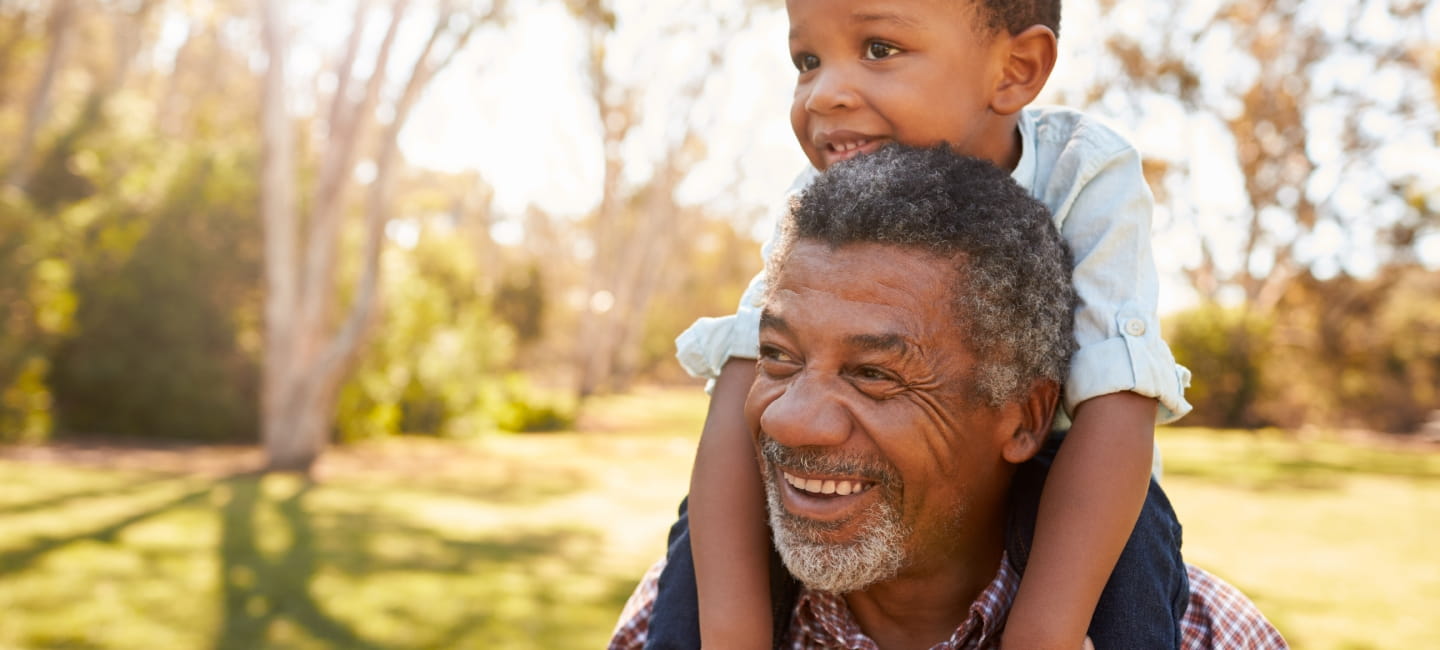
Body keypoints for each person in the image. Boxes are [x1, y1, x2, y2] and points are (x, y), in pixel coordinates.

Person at [653, 0, 1194, 648]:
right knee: (709, 517)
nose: (824, 94)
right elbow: (745, 368)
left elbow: (1118, 401)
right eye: (807, 61)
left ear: (1016, 69)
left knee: (1136, 531)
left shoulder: (1084, 169)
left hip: (1067, 469)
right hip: (906, 494)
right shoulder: (818, 192)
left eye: (879, 49)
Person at [614, 145, 1285, 650]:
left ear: (1024, 418)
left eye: (874, 375)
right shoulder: (672, 615)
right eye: (779, 358)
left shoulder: (1207, 634)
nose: (791, 420)